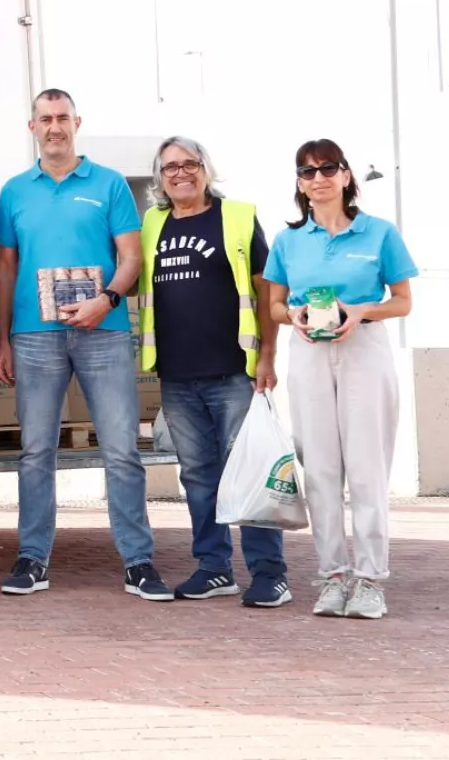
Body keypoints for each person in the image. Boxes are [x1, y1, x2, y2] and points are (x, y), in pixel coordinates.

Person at [0, 89, 171, 601]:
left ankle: (138, 561)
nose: (55, 127)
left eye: (62, 118)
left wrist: (106, 300)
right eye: (45, 119)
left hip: (103, 332)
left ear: (77, 123)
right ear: (32, 127)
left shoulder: (109, 184)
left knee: (121, 450)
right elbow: (7, 268)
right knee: (35, 452)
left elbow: (131, 257)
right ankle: (32, 558)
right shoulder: (14, 191)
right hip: (34, 337)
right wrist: (2, 339)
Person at [263, 138, 416, 621]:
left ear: (346, 175)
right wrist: (295, 315)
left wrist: (361, 310)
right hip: (309, 353)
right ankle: (332, 576)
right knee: (320, 470)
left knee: (367, 467)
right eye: (308, 172)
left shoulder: (379, 233)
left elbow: (403, 301)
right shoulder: (288, 241)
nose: (319, 178)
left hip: (363, 349)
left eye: (328, 168)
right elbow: (274, 305)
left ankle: (369, 579)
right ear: (299, 183)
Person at [137, 136, 289, 608]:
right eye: (170, 167)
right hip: (177, 376)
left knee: (251, 470)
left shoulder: (237, 216)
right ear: (160, 178)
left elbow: (267, 290)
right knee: (199, 477)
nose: (180, 173)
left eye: (190, 164)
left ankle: (269, 573)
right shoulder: (152, 224)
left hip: (234, 372)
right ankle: (214, 567)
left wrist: (267, 355)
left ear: (206, 169)